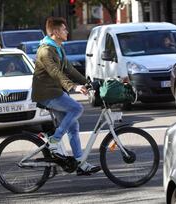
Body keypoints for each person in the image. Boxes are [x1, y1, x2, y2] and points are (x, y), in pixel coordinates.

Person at [31, 17, 101, 176]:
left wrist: (88, 82)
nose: (67, 32)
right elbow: (55, 73)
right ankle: (54, 141)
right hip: (46, 93)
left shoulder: (58, 48)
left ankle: (80, 163)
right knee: (77, 108)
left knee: (73, 126)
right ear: (55, 32)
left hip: (55, 91)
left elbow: (69, 69)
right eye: (64, 29)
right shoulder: (45, 51)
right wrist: (74, 86)